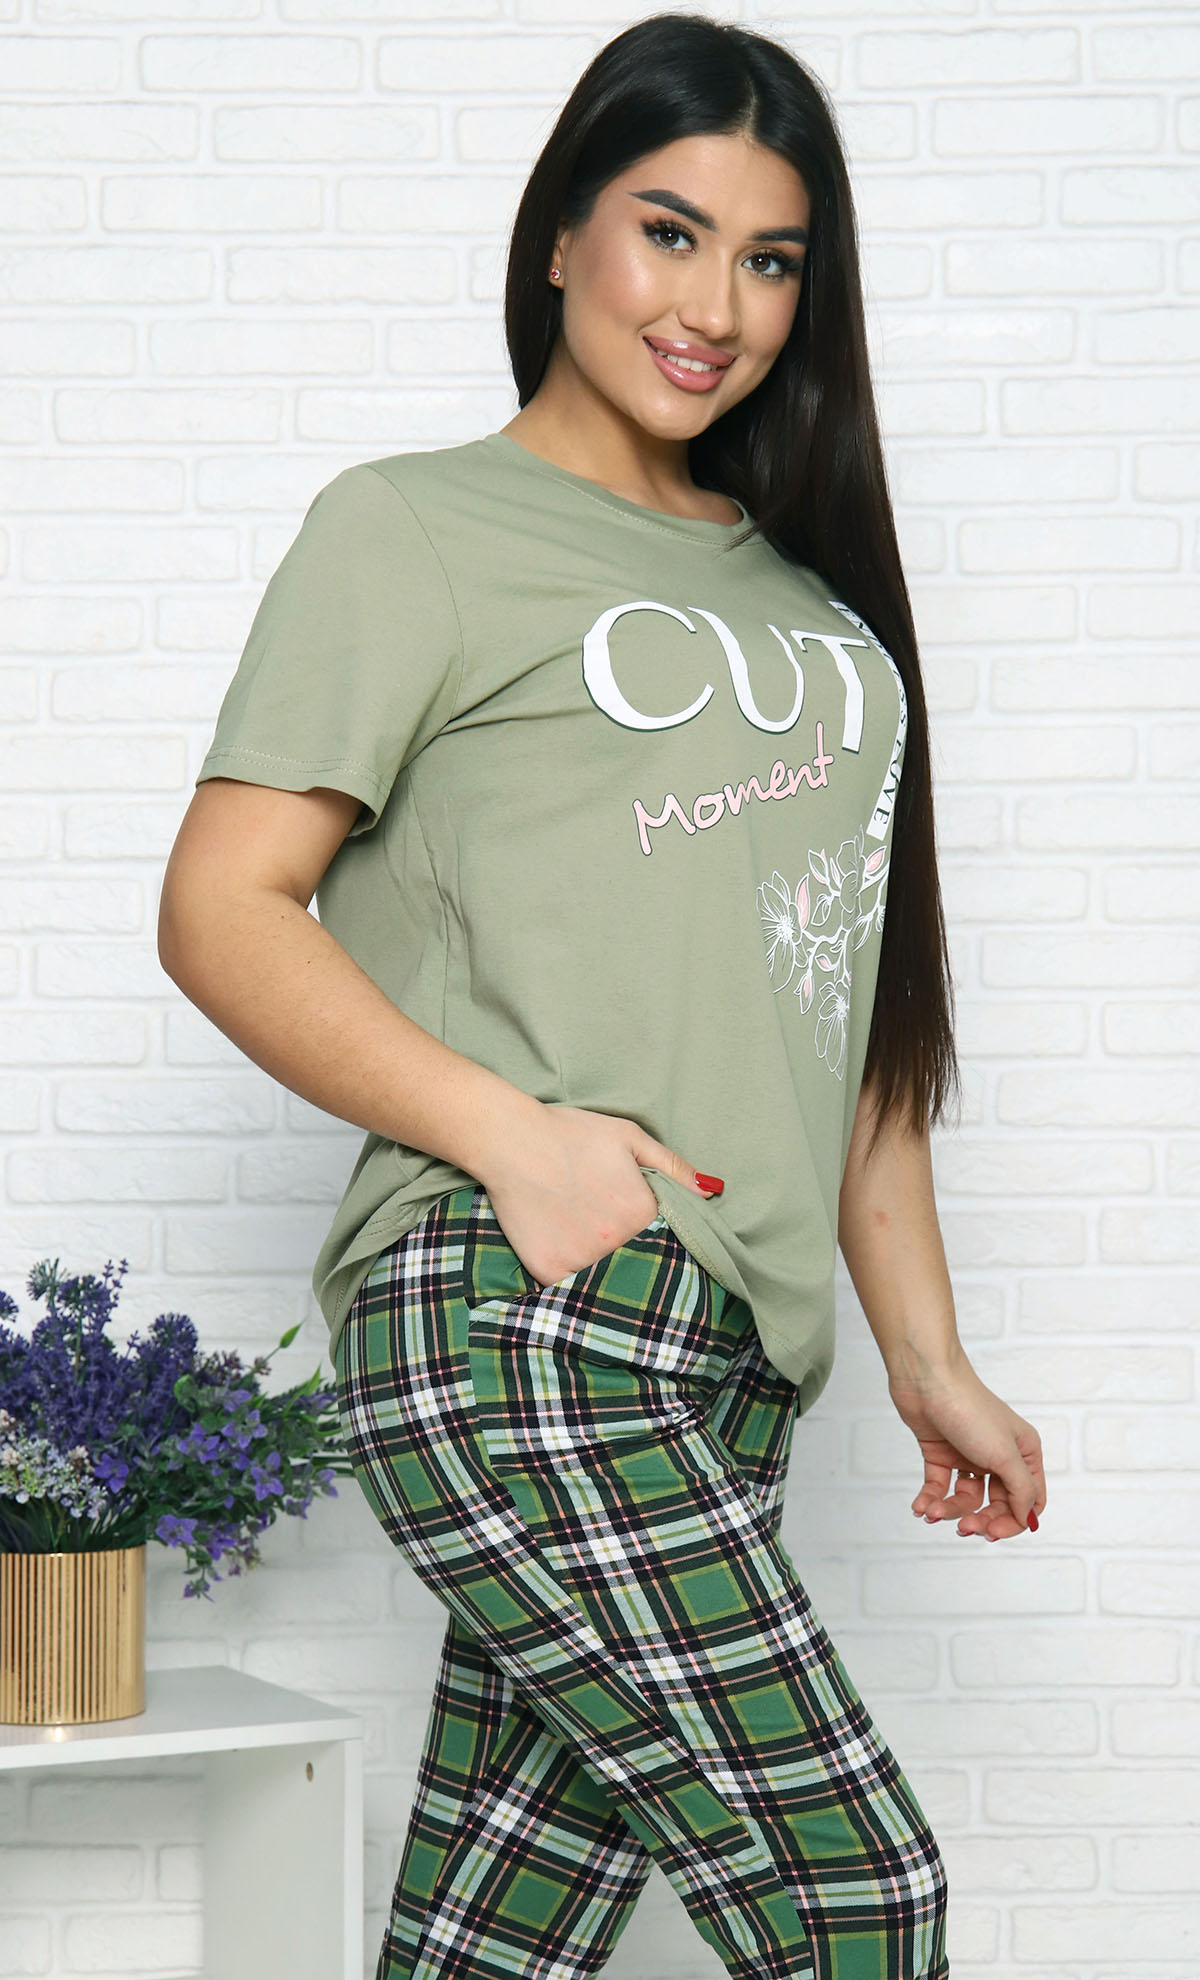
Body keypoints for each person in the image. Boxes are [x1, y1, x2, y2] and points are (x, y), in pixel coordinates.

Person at [159, 15, 1046, 1978]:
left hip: (724, 1358)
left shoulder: (824, 617)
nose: (714, 306)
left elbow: (844, 1008)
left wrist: (925, 1355)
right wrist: (517, 1139)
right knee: (852, 1890)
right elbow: (223, 906)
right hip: (524, 1311)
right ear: (561, 234)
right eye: (668, 230)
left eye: (770, 259)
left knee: (498, 1943)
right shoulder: (416, 528)